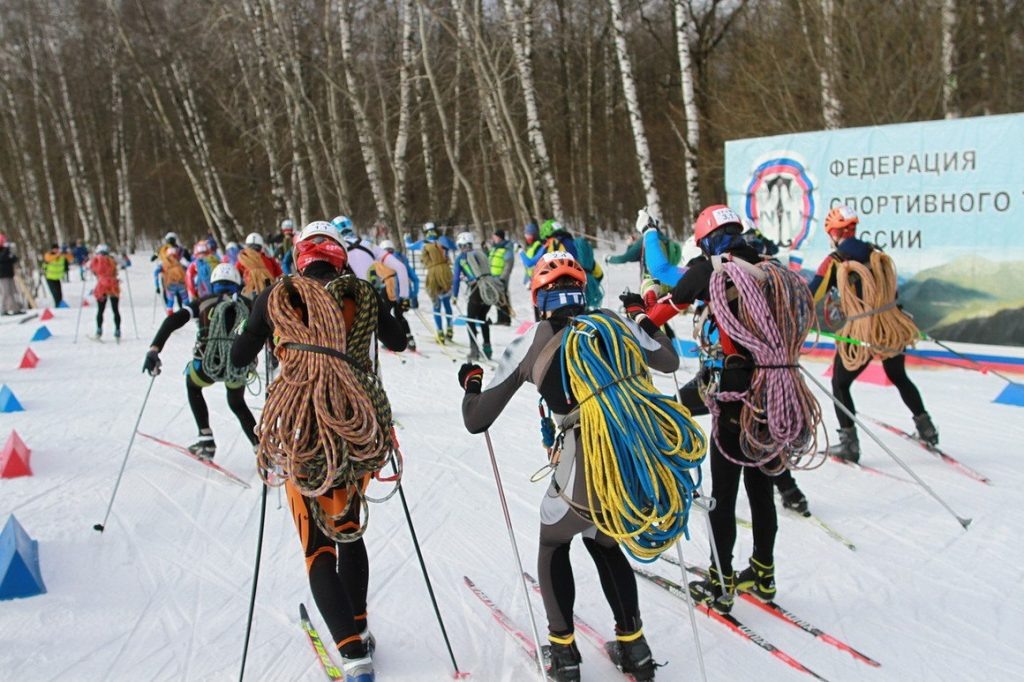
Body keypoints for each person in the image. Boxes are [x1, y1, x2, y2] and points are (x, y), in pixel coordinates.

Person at [459, 252, 680, 681]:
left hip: (583, 460)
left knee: (553, 541)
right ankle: (634, 647)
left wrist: (471, 384)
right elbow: (668, 361)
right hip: (629, 460)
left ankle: (564, 655)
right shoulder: (615, 323)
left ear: (541, 298)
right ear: (583, 291)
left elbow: (477, 419)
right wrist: (641, 315)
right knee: (605, 540)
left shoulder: (533, 338)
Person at [231, 220, 408, 682]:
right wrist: (389, 306)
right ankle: (361, 629)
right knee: (348, 530)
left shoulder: (277, 297)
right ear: (338, 256)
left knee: (317, 548)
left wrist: (264, 328)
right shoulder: (362, 295)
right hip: (354, 426)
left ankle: (353, 655)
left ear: (300, 256)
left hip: (302, 430)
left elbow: (237, 357)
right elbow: (396, 340)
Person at [643, 205, 789, 612]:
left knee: (723, 495)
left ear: (706, 239)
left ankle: (722, 585)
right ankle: (763, 572)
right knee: (760, 487)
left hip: (730, 391)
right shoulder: (766, 269)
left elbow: (660, 302)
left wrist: (642, 308)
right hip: (770, 389)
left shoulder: (710, 271)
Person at [810, 205, 938, 461]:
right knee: (898, 374)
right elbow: (893, 292)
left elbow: (812, 294)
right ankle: (927, 429)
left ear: (834, 232)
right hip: (890, 327)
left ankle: (849, 444)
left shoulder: (836, 261)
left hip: (862, 332)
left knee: (840, 383)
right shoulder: (876, 254)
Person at [142, 263, 257, 459]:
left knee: (193, 386)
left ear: (213, 284)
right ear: (237, 283)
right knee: (236, 402)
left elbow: (172, 321)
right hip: (237, 368)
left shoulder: (203, 302)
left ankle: (206, 440)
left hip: (206, 366)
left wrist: (154, 349)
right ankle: (260, 447)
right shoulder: (248, 305)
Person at [452, 232, 494, 360]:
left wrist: (454, 295)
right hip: (489, 289)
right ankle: (488, 349)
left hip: (476, 291)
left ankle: (474, 350)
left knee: (470, 320)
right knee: (483, 318)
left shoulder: (460, 259)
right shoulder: (481, 254)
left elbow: (456, 280)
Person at [371, 239, 416, 350]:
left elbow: (374, 277)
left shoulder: (380, 261)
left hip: (388, 289)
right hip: (397, 290)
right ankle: (409, 339)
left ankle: (393, 339)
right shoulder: (399, 259)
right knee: (398, 315)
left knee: (387, 315)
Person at [419, 228, 455, 344]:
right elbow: (448, 259)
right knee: (447, 303)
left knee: (436, 305)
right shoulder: (443, 245)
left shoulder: (426, 247)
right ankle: (450, 330)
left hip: (433, 275)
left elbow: (423, 260)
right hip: (446, 273)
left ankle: (440, 333)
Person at [88, 244, 122, 340]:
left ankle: (99, 330)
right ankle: (117, 330)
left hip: (101, 286)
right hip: (113, 286)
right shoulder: (112, 259)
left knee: (100, 310)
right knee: (115, 309)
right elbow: (124, 264)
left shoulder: (95, 260)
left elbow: (89, 268)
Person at [152, 232, 190, 314]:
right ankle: (181, 308)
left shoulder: (163, 249)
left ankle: (170, 310)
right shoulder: (179, 249)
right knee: (181, 294)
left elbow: (153, 257)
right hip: (178, 274)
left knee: (169, 294)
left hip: (166, 274)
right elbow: (188, 258)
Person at [487, 229, 514, 325]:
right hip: (493, 277)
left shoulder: (506, 248)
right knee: (497, 298)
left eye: (495, 237)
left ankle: (506, 319)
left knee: (503, 298)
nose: (493, 239)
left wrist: (503, 278)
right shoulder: (495, 248)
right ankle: (500, 319)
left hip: (501, 278)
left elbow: (508, 265)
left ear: (499, 237)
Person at [0, 234, 24, 315]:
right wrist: (7, 250)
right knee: (6, 292)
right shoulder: (4, 251)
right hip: (2, 275)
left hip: (9, 274)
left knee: (12, 292)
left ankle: (15, 309)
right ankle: (3, 310)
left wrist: (10, 253)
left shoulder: (6, 250)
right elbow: (2, 258)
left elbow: (14, 259)